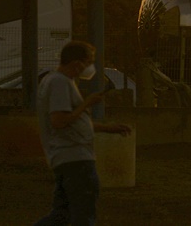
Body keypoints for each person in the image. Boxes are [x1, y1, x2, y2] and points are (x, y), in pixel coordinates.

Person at [34, 41, 131, 226]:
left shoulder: (56, 81)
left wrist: (108, 128)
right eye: (89, 61)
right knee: (83, 214)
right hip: (75, 158)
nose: (89, 67)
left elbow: (74, 122)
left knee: (62, 215)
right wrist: (87, 103)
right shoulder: (60, 82)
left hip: (66, 157)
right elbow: (59, 120)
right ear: (77, 63)